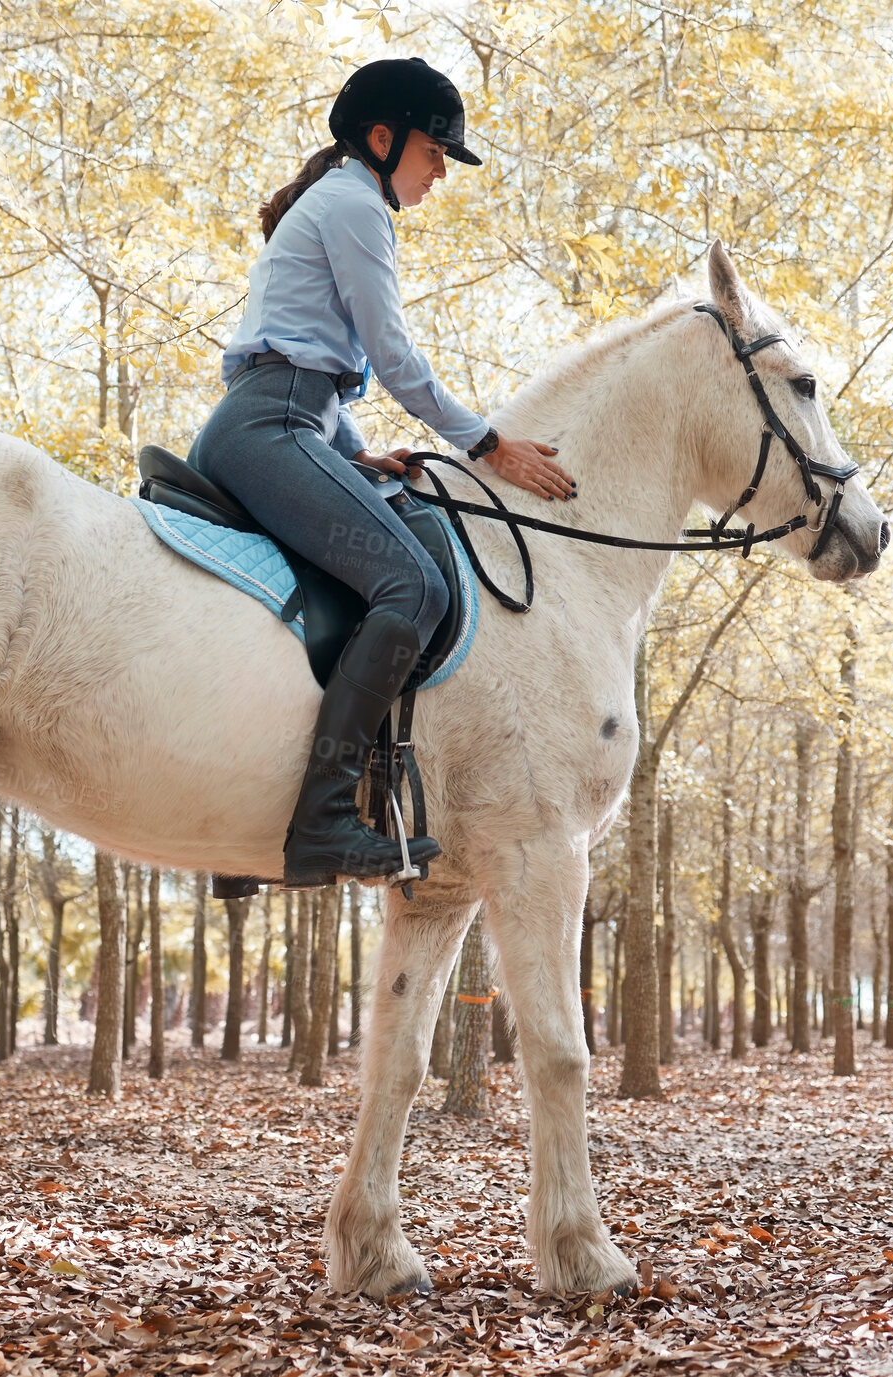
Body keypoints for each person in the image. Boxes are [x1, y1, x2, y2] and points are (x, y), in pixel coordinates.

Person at [189, 57, 575, 887]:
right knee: (416, 587)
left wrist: (353, 452)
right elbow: (392, 356)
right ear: (380, 137)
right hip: (276, 423)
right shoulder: (356, 204)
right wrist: (486, 443)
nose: (440, 170)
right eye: (435, 151)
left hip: (287, 420)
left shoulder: (335, 201)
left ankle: (246, 811)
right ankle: (323, 819)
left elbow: (305, 360)